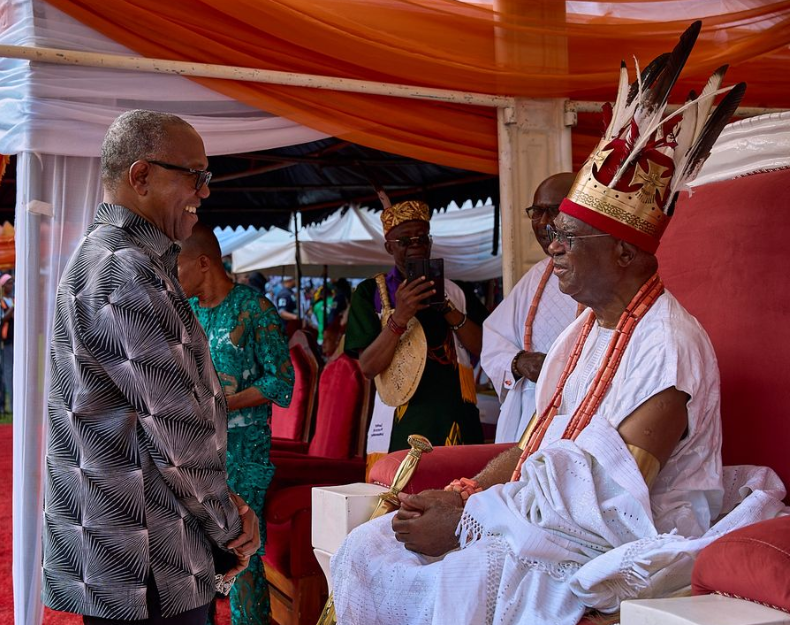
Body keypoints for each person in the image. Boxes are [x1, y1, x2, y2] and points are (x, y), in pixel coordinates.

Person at [331, 25, 786, 625]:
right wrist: (464, 494)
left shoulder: (670, 346)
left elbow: (615, 497)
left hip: (624, 530)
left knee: (471, 574)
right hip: (552, 516)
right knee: (370, 543)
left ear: (624, 254)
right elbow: (532, 445)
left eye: (569, 239)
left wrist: (470, 524)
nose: (553, 252)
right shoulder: (582, 331)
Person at [44, 110, 260, 625]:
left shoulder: (122, 259)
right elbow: (177, 430)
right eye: (195, 174)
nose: (204, 191)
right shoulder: (124, 268)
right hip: (147, 558)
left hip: (137, 550)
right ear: (140, 176)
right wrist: (230, 526)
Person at [178, 223, 294, 625]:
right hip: (193, 451)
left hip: (245, 452)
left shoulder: (254, 308)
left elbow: (281, 381)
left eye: (178, 268)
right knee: (194, 556)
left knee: (240, 555)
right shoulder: (185, 313)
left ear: (204, 263)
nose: (173, 278)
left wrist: (223, 404)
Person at [344, 200, 489, 463]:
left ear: (430, 242)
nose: (416, 246)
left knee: (460, 493)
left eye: (422, 238)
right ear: (389, 247)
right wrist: (399, 317)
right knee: (401, 497)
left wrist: (447, 307)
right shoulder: (371, 294)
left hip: (456, 416)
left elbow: (486, 350)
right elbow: (368, 367)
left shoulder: (457, 291)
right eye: (404, 241)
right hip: (400, 420)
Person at [481, 173, 579, 443]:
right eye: (537, 212)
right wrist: (519, 362)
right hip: (528, 420)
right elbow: (493, 338)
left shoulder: (607, 275)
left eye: (554, 211)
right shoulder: (537, 276)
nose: (544, 222)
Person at [0, 273, 13, 415]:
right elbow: (3, 319)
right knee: (7, 373)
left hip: (12, 341)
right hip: (6, 341)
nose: (11, 285)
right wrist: (12, 309)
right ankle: (8, 405)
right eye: (9, 283)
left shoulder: (12, 299)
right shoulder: (3, 302)